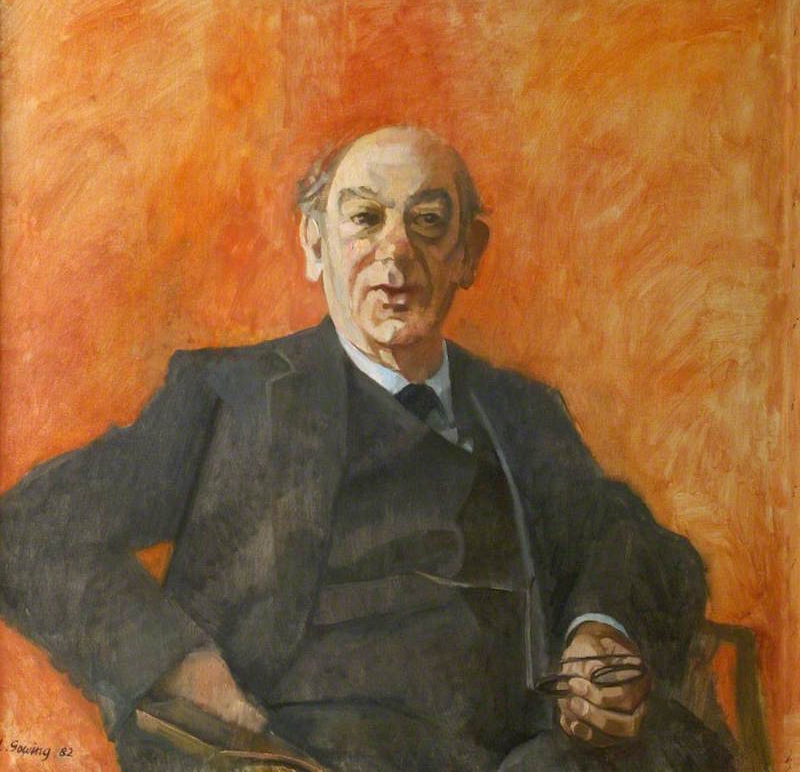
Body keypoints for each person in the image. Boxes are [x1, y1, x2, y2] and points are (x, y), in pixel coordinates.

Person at [0, 126, 732, 771]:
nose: (397, 252)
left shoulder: (521, 412)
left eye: (427, 222)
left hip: (527, 752)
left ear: (468, 254)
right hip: (301, 751)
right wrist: (176, 664)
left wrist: (601, 630)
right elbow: (27, 532)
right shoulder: (229, 395)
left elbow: (634, 542)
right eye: (365, 219)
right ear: (315, 244)